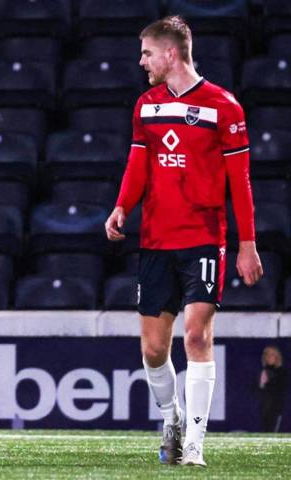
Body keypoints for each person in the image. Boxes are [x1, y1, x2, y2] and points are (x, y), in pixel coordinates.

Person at [104, 16, 263, 466]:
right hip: (156, 240)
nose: (142, 62)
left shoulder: (224, 107)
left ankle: (194, 443)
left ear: (171, 54)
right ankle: (171, 419)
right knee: (154, 349)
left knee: (196, 336)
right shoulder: (145, 105)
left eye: (147, 53)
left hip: (203, 240)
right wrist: (121, 207)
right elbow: (138, 164)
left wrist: (246, 245)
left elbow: (242, 182)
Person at [258, 346, 287, 432]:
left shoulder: (281, 372)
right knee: (265, 432)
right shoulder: (264, 370)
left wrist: (267, 382)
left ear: (277, 357)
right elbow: (259, 389)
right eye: (267, 355)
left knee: (273, 433)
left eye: (272, 355)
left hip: (276, 409)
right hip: (264, 409)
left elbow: (280, 389)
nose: (269, 357)